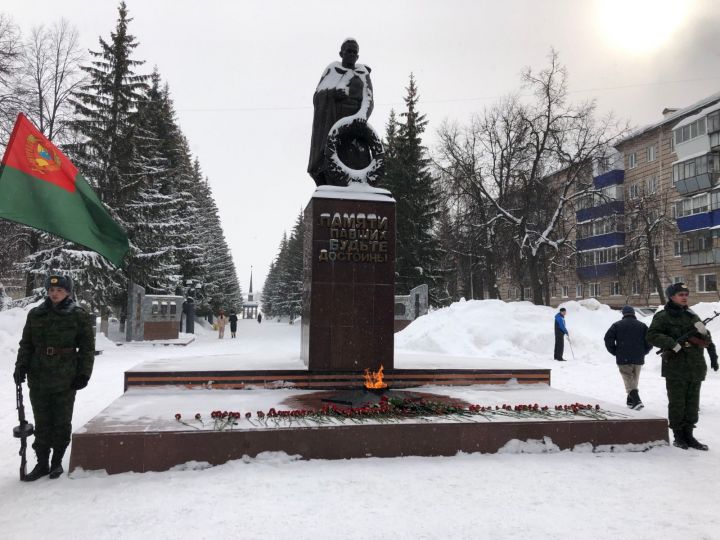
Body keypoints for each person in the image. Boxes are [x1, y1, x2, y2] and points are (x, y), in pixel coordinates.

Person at [13, 274, 94, 481]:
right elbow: (27, 344)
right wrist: (21, 366)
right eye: (51, 290)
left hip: (65, 375)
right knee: (42, 420)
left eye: (59, 290)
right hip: (38, 374)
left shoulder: (78, 315)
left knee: (61, 420)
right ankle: (42, 463)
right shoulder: (36, 314)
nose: (54, 294)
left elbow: (86, 348)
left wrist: (84, 374)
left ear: (67, 292)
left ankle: (57, 462)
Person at [647, 282, 714, 450]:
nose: (684, 297)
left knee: (692, 403)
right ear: (672, 297)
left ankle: (689, 435)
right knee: (677, 403)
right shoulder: (663, 316)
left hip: (695, 366)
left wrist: (704, 333)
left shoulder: (692, 315)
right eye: (680, 294)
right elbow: (652, 335)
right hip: (676, 367)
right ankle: (678, 435)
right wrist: (671, 343)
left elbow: (706, 338)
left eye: (686, 294)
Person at [307, 38, 374, 186]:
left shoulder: (363, 74)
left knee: (358, 162)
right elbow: (317, 96)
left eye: (354, 52)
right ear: (341, 53)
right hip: (332, 126)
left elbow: (368, 99)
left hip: (356, 129)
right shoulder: (332, 70)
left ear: (357, 56)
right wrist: (331, 94)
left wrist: (362, 115)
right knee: (331, 166)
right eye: (348, 51)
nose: (351, 54)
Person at [603, 305, 652, 410]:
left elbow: (608, 339)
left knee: (628, 379)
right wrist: (644, 351)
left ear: (623, 314)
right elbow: (650, 340)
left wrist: (615, 351)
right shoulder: (642, 326)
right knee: (634, 379)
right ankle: (630, 402)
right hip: (638, 357)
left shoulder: (617, 325)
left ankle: (636, 400)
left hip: (623, 357)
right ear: (633, 314)